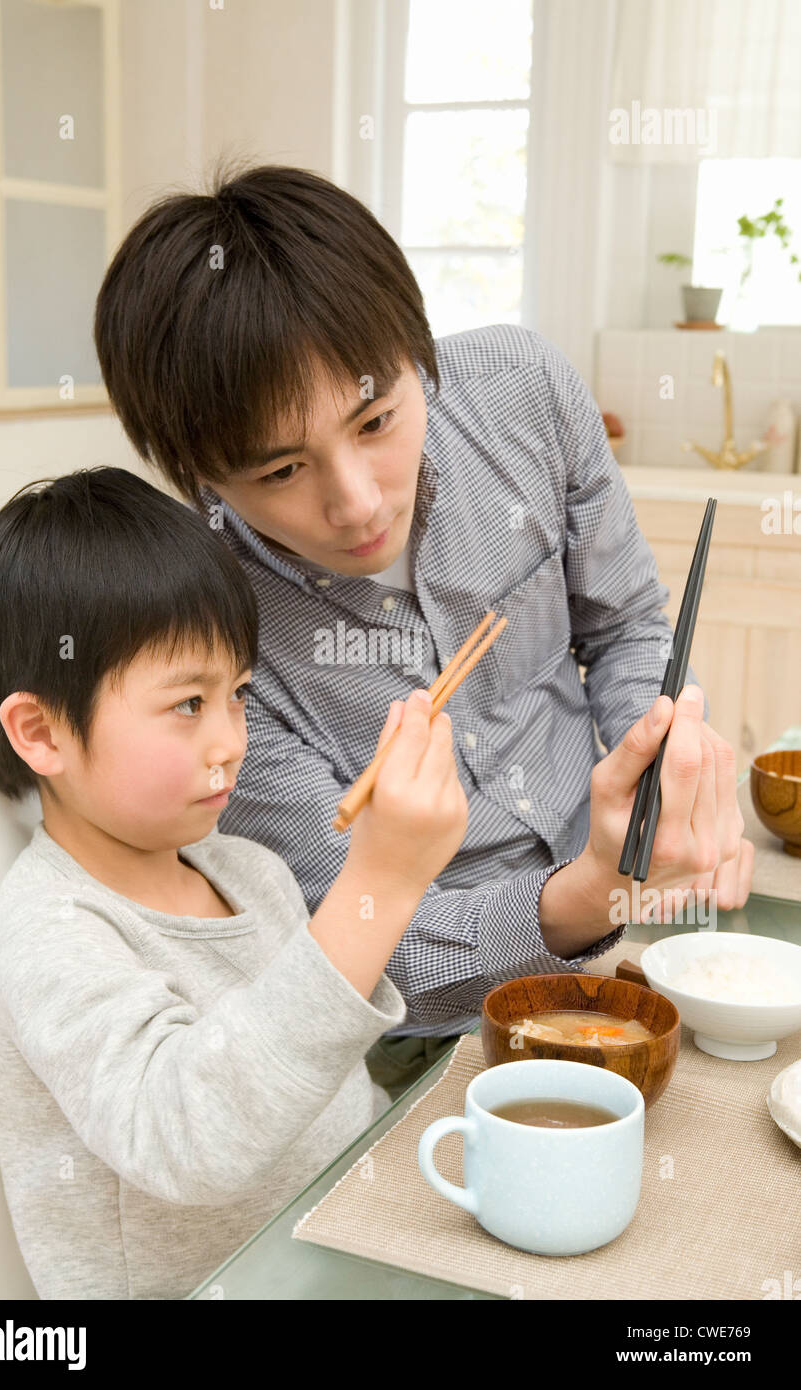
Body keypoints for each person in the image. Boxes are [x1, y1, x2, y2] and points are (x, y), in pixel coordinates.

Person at [93, 159, 754, 1096]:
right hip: (419, 1025)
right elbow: (353, 935)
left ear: (416, 350)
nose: (356, 503)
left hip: (636, 904)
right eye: (281, 472)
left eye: (376, 420)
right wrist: (587, 893)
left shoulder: (523, 393)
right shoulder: (203, 631)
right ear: (201, 476)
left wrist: (660, 769)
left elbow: (627, 624)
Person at [0, 467, 468, 1298]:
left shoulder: (248, 869)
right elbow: (189, 1138)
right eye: (187, 704)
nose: (230, 739)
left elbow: (336, 1091)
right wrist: (380, 882)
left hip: (341, 1253)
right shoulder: (53, 928)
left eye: (236, 693)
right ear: (41, 731)